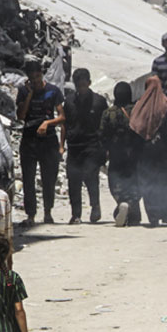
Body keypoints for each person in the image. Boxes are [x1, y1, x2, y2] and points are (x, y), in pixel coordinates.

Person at [130, 76, 167, 226]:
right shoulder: (166, 104)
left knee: (149, 182)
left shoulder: (139, 106)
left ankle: (153, 214)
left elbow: (134, 128)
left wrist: (132, 152)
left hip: (146, 151)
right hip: (165, 150)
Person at [16, 58, 64, 226]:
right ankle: (30, 215)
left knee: (48, 178)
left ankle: (48, 212)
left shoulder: (54, 91)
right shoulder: (23, 91)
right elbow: (21, 116)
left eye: (37, 77)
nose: (35, 81)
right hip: (29, 140)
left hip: (48, 140)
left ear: (41, 75)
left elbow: (62, 117)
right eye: (32, 78)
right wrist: (29, 95)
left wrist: (47, 123)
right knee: (28, 179)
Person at [62, 68, 109, 224]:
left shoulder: (99, 102)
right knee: (73, 179)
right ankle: (76, 214)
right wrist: (62, 145)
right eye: (78, 85)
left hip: (92, 146)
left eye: (84, 85)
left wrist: (105, 147)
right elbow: (64, 124)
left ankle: (95, 206)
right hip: (74, 146)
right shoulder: (69, 102)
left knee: (91, 176)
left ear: (89, 83)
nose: (81, 88)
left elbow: (106, 125)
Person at [101, 81, 143, 227]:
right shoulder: (137, 111)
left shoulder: (108, 113)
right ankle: (131, 209)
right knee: (135, 184)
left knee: (116, 184)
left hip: (115, 155)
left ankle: (122, 204)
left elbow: (102, 135)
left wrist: (103, 155)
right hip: (134, 155)